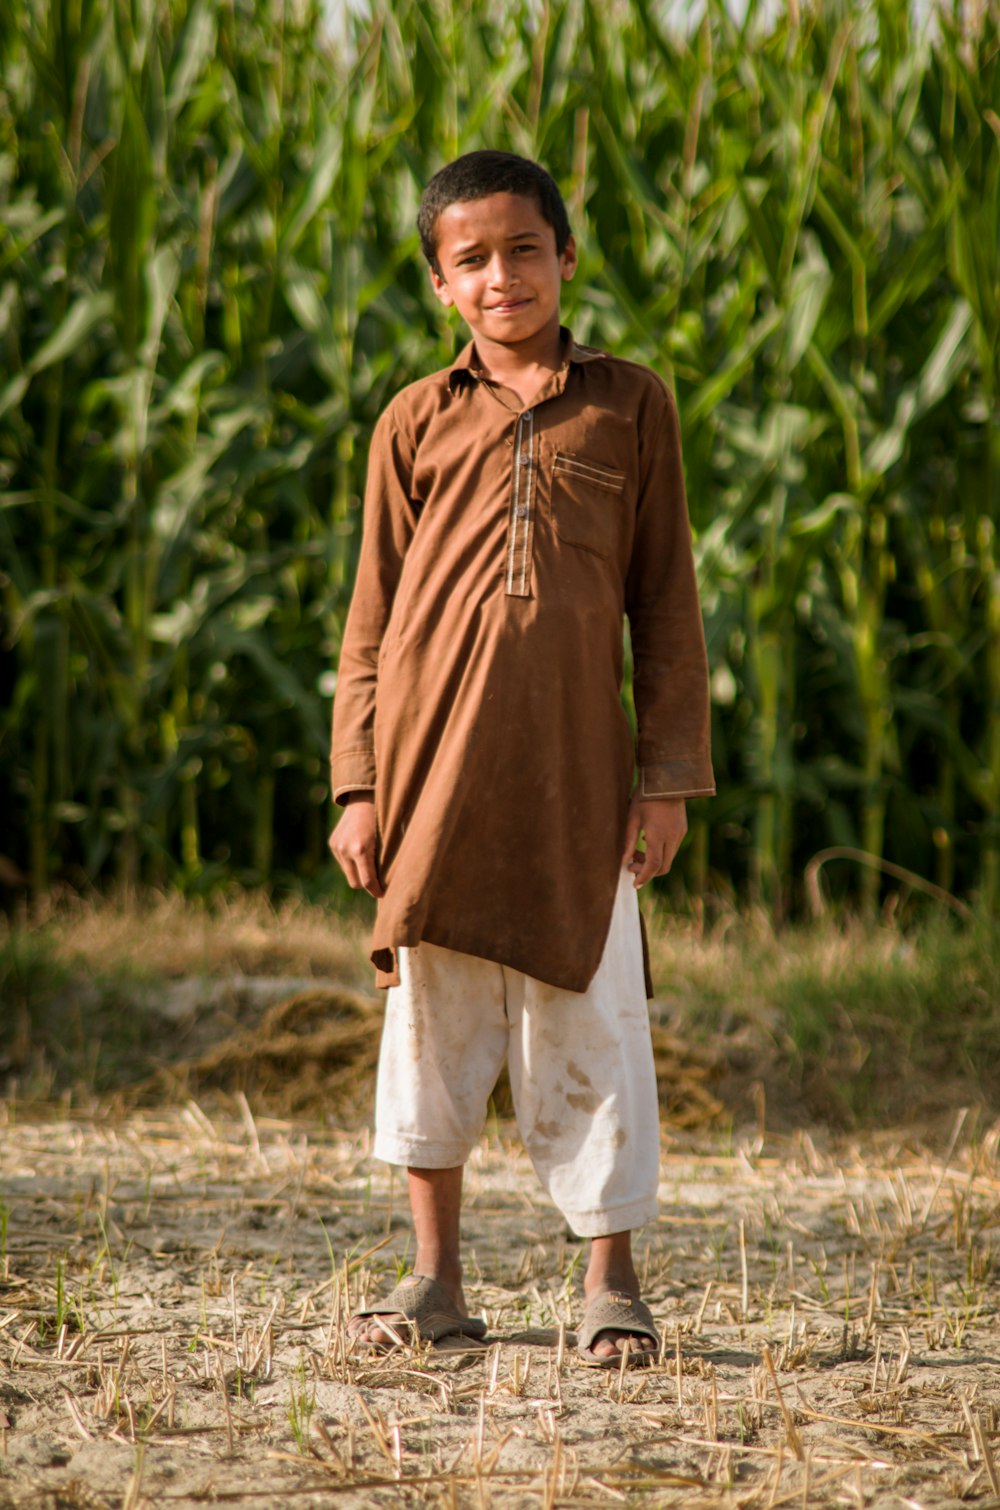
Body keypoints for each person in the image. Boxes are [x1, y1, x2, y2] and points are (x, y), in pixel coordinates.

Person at [329, 150, 714, 1366]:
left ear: (566, 254)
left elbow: (666, 606)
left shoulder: (630, 405)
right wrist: (357, 782)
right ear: (440, 283)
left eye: (523, 249)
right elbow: (370, 618)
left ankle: (612, 1286)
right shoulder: (414, 419)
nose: (502, 276)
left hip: (579, 779)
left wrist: (663, 778)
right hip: (429, 776)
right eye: (471, 259)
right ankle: (433, 1281)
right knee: (432, 1029)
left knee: (592, 1022)